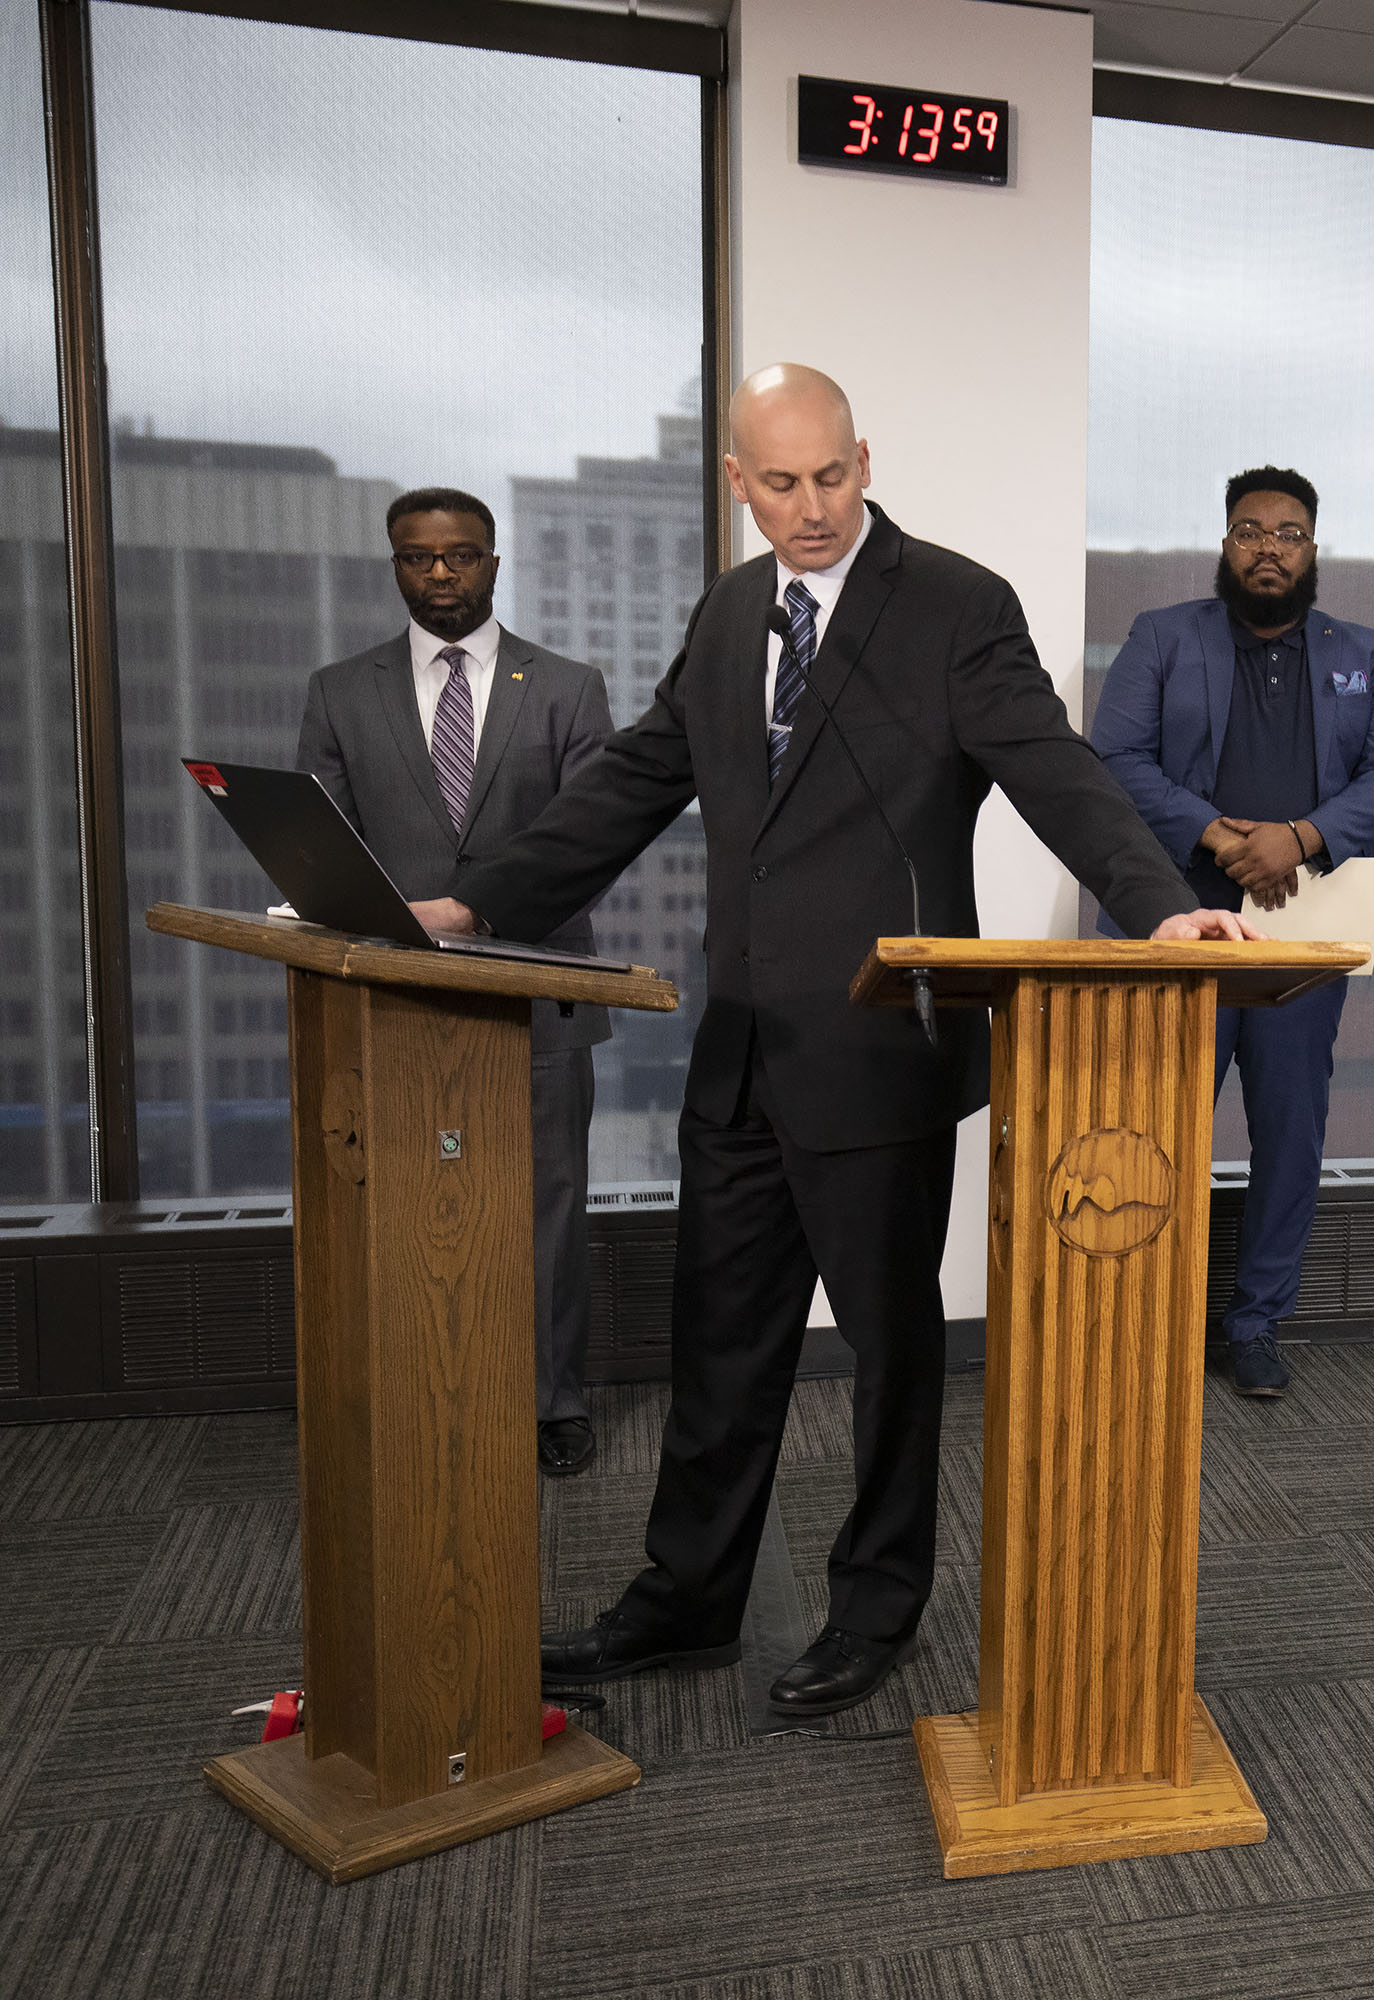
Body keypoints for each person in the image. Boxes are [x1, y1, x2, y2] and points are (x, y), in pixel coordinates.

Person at [413, 365, 1253, 1718]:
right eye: (782, 484)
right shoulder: (734, 608)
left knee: (888, 1352)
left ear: (865, 458)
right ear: (738, 484)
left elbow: (1055, 767)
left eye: (834, 477)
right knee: (722, 1348)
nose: (813, 510)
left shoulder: (955, 606)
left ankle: (876, 1608)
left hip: (878, 1048)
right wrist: (477, 900)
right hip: (740, 1046)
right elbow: (636, 775)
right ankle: (685, 1601)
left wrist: (1160, 910)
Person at [296, 487, 615, 1478]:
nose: (441, 573)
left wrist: (478, 910)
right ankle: (411, 1384)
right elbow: (322, 848)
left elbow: (591, 840)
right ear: (395, 563)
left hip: (539, 986)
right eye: (419, 557)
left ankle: (552, 1399)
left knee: (548, 1204)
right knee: (401, 1200)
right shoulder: (339, 690)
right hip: (391, 998)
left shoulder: (566, 685)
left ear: (493, 562)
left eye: (462, 555)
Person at [1089, 468, 1374, 1399]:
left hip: (1304, 939)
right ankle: (1146, 1319)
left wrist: (1299, 839)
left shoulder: (1366, 652)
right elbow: (1112, 759)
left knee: (1289, 1132)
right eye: (1249, 531)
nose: (1269, 547)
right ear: (1224, 544)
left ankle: (1257, 1321)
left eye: (1289, 533)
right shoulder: (1163, 637)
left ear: (1314, 549)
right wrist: (1218, 831)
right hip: (1179, 923)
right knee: (1152, 1132)